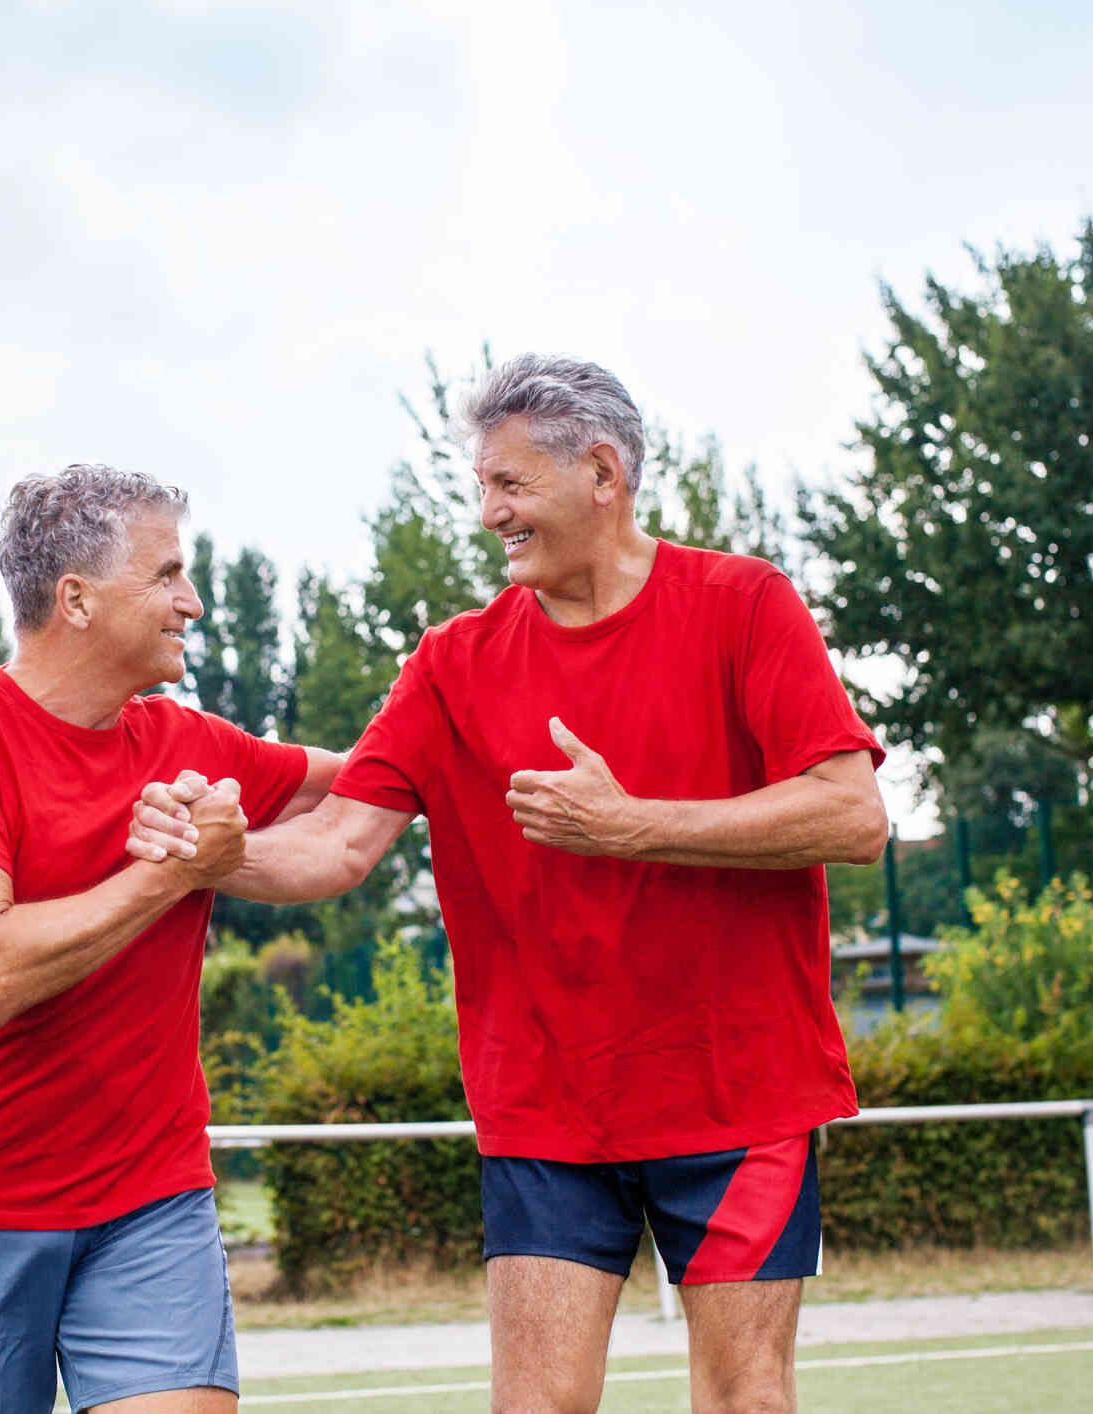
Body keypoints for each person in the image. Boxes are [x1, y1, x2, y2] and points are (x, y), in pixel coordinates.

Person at [128, 356, 888, 1414]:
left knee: (746, 1399)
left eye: (511, 485)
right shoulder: (452, 662)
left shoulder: (743, 604)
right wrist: (222, 857)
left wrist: (632, 826)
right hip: (546, 1111)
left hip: (741, 1092)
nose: (489, 514)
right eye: (481, 488)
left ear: (604, 474)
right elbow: (342, 843)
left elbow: (852, 813)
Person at [0, 464, 342, 1414]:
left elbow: (360, 784)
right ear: (75, 598)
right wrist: (171, 872)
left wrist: (466, 690)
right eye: (166, 575)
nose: (193, 603)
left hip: (150, 1198)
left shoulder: (187, 741)